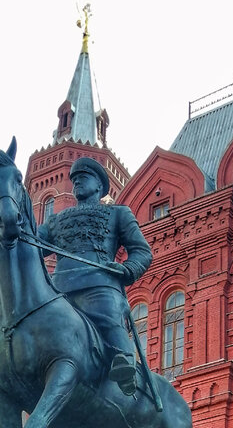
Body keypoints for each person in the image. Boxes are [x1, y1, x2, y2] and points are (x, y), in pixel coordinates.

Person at [35, 157, 153, 396]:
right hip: (59, 290)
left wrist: (128, 269)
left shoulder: (118, 214)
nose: (77, 182)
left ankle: (125, 363)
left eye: (83, 178)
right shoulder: (57, 220)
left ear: (99, 185)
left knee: (108, 316)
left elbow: (142, 251)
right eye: (74, 179)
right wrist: (5, 236)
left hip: (100, 284)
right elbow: (32, 245)